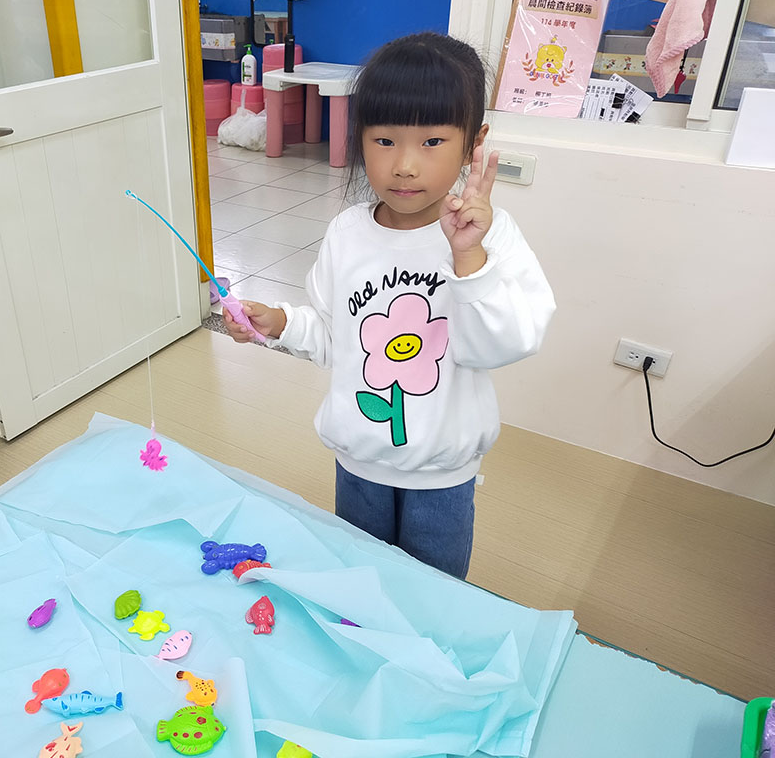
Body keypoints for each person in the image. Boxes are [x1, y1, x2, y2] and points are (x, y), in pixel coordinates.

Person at [222, 32, 555, 580]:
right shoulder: (347, 233)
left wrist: (469, 260)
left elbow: (508, 342)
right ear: (358, 136)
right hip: (357, 463)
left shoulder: (490, 237)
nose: (404, 165)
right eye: (384, 140)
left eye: (432, 141)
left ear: (474, 143)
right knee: (361, 581)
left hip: (441, 474)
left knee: (431, 593)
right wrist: (280, 323)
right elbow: (337, 336)